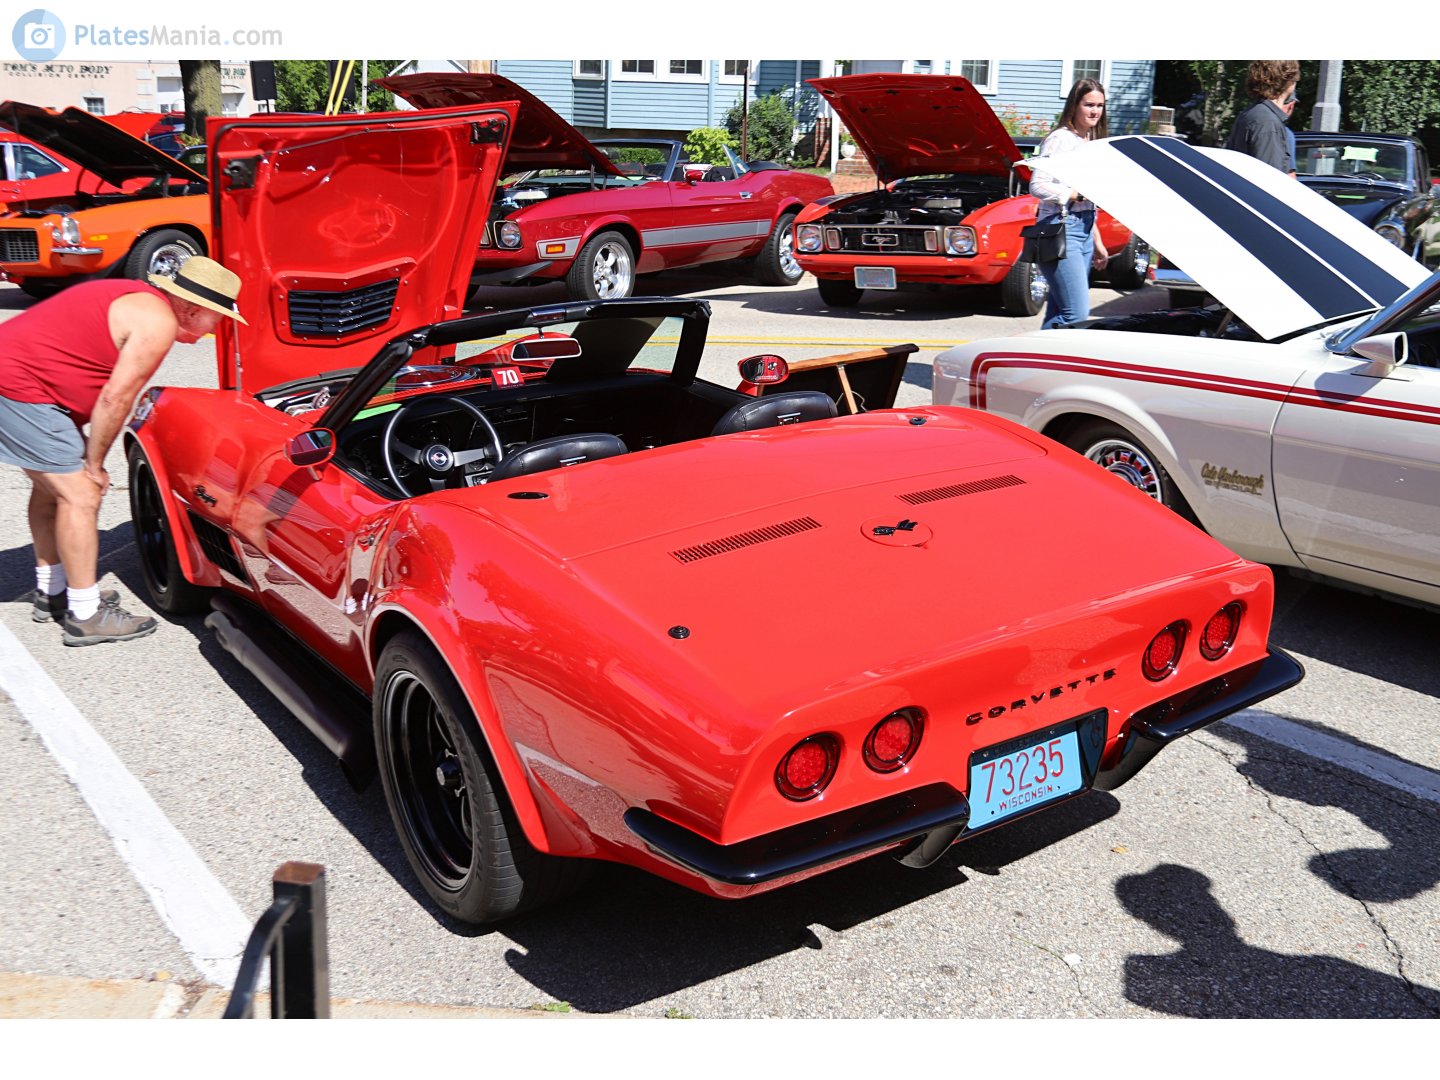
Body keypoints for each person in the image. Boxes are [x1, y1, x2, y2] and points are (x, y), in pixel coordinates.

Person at [0, 258, 245, 646]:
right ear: (192, 309)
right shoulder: (158, 323)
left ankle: (54, 591)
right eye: (217, 318)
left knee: (53, 491)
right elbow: (116, 399)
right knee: (81, 494)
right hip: (18, 388)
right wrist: (95, 465)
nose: (215, 328)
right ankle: (85, 615)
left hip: (23, 383)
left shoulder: (140, 299)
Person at [1029, 77, 1110, 329]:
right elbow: (1037, 185)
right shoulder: (1060, 139)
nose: (1095, 111)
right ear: (1074, 105)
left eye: (1100, 105)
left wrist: (1097, 242)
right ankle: (1030, 351)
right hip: (1061, 230)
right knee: (1075, 315)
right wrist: (1075, 194)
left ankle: (1041, 354)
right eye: (1089, 105)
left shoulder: (1089, 141)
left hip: (1083, 230)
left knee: (1059, 311)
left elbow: (1088, 202)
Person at [1225, 61, 1300, 173]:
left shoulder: (1252, 113)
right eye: (1294, 79)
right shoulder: (1267, 122)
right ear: (1287, 81)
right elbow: (1268, 176)